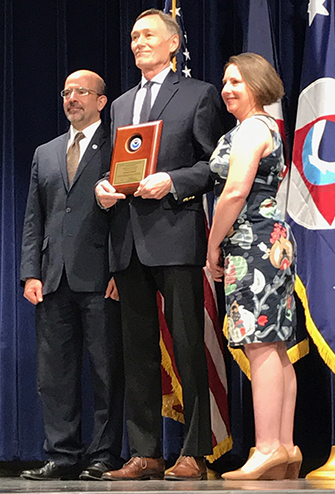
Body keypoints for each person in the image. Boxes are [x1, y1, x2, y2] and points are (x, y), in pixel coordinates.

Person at [95, 9, 223, 481]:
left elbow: (213, 166)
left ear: (173, 43)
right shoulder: (121, 104)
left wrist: (172, 180)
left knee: (188, 346)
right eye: (132, 37)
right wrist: (104, 190)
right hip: (127, 241)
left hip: (175, 235)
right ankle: (145, 451)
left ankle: (194, 452)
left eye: (147, 35)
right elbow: (117, 167)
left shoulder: (198, 94)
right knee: (137, 351)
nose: (137, 43)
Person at [20, 70, 124, 481]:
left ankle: (103, 455)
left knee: (106, 370)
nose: (72, 97)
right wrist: (30, 272)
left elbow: (126, 211)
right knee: (55, 373)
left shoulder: (118, 145)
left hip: (102, 275)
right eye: (66, 91)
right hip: (52, 277)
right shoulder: (45, 152)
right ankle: (61, 455)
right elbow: (35, 217)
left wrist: (121, 267)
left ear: (101, 101)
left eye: (82, 91)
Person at [207, 53, 301, 481]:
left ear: (258, 85)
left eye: (236, 82)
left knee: (260, 344)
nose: (227, 90)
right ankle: (284, 445)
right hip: (271, 241)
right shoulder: (267, 127)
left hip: (252, 244)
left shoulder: (251, 130)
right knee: (276, 346)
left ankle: (266, 448)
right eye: (225, 82)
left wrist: (212, 247)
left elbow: (233, 192)